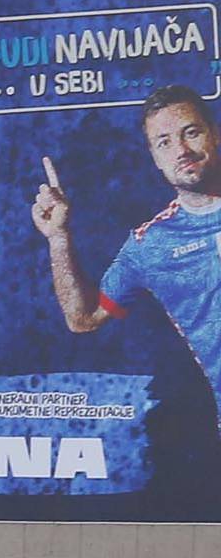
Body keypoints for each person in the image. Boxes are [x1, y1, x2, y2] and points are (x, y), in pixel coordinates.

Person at [34, 86, 221, 410]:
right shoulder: (150, 245)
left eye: (191, 133)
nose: (181, 149)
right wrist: (58, 237)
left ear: (215, 135)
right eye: (164, 142)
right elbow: (84, 319)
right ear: (155, 158)